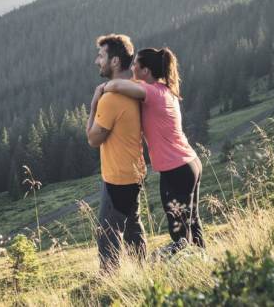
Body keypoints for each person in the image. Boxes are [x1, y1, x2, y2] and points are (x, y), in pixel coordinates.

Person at [104, 47, 204, 253]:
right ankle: (201, 259)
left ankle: (186, 267)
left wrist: (101, 90)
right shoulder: (165, 90)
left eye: (135, 65)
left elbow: (115, 85)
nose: (132, 68)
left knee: (178, 227)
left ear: (146, 71)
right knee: (192, 220)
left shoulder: (151, 92)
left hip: (175, 169)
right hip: (190, 163)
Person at [86, 34, 147, 270]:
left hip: (118, 178)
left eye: (101, 56)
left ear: (114, 61)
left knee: (107, 235)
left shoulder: (110, 99)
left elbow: (93, 138)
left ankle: (110, 286)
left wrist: (93, 105)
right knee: (132, 228)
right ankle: (144, 274)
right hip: (135, 172)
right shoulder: (136, 89)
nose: (96, 61)